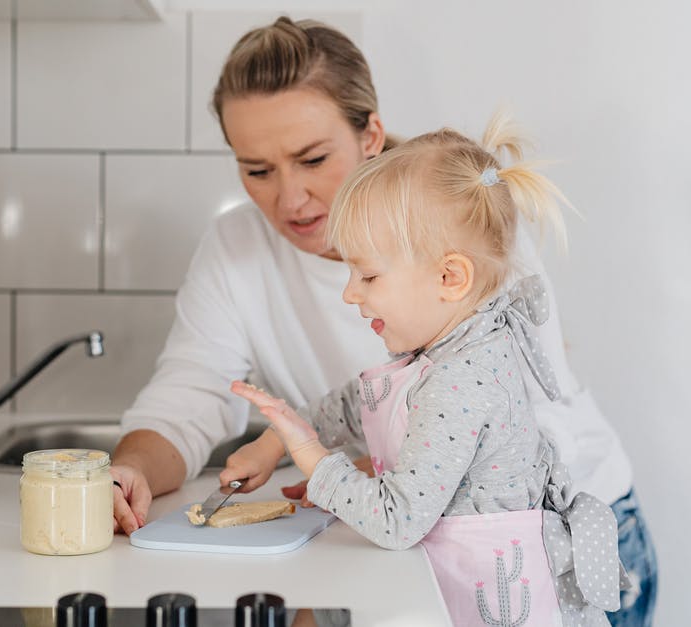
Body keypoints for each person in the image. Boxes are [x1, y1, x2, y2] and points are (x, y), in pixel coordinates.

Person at [110, 16, 657, 624]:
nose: (290, 199)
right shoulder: (235, 248)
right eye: (257, 170)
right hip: (427, 553)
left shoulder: (460, 222)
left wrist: (325, 464)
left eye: (312, 159)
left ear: (370, 134)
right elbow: (202, 395)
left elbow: (496, 430)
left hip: (552, 553)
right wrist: (131, 469)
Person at [229, 112, 623, 625]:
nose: (351, 293)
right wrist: (273, 440)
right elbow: (356, 403)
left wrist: (313, 458)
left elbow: (397, 520)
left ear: (449, 276)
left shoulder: (463, 381)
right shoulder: (441, 350)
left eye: (367, 274)